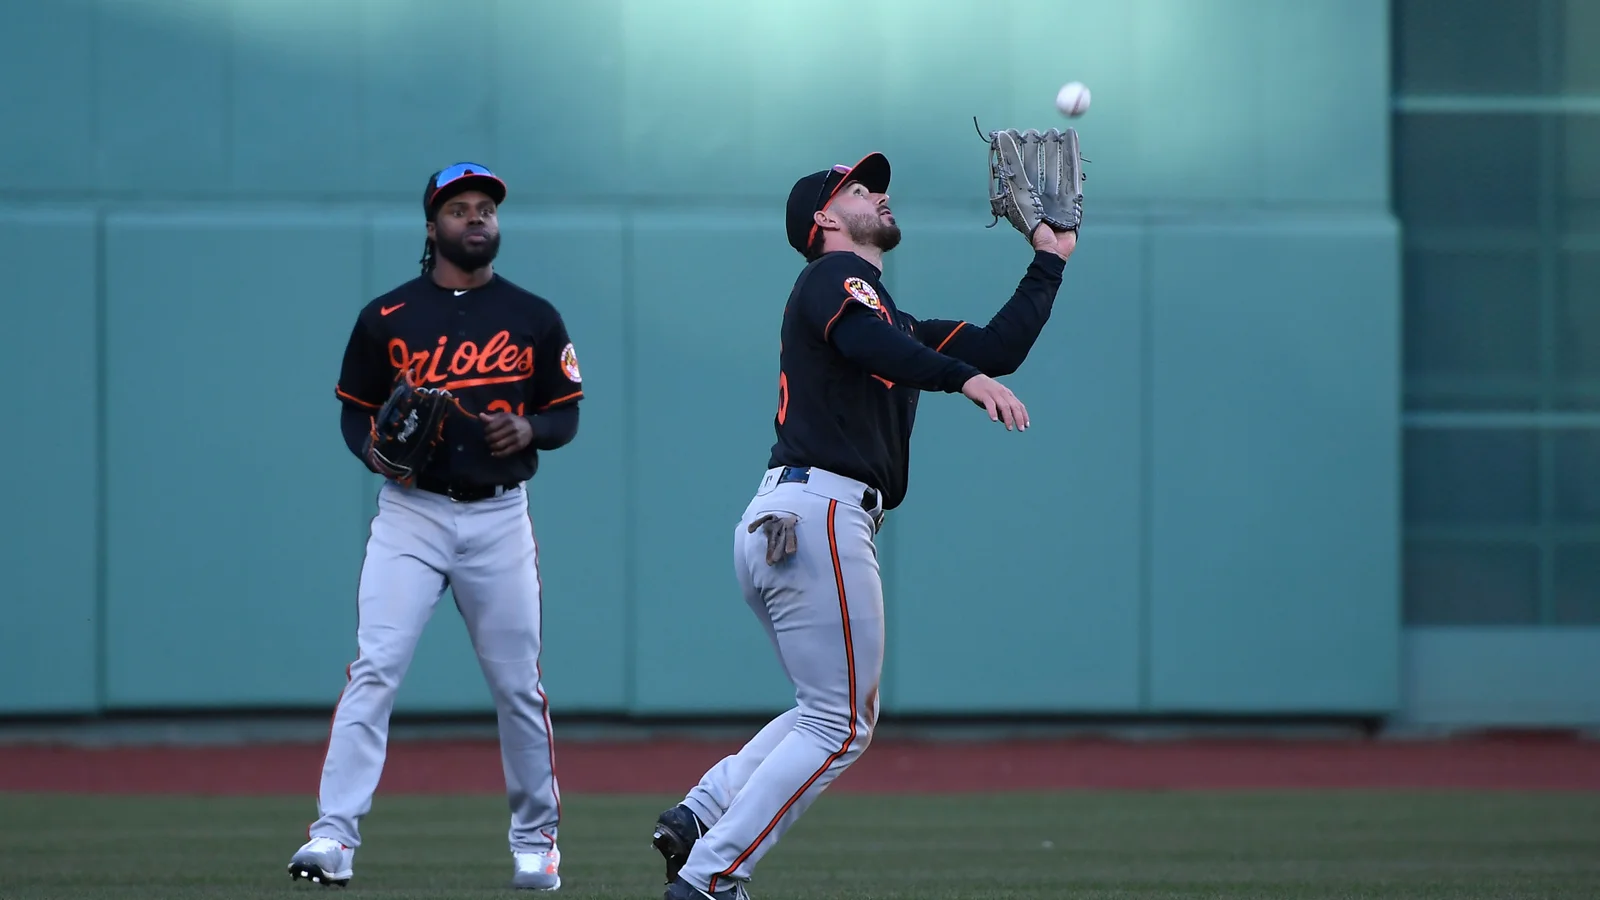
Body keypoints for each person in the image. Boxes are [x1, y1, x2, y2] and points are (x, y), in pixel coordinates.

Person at [649, 152, 1077, 899]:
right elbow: (877, 347)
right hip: (819, 513)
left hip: (788, 516)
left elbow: (995, 346)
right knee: (841, 726)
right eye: (859, 188)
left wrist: (1050, 259)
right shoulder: (831, 282)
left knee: (823, 711)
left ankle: (703, 812)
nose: (880, 195)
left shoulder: (891, 318)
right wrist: (965, 380)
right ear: (823, 218)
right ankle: (713, 874)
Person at [286, 162, 584, 891]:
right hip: (411, 515)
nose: (476, 218)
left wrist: (533, 428)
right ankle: (332, 836)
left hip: (499, 519)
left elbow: (566, 412)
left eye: (486, 208)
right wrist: (375, 453)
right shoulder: (386, 318)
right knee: (375, 670)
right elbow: (357, 408)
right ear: (432, 227)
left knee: (518, 686)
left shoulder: (534, 316)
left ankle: (537, 839)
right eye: (460, 209)